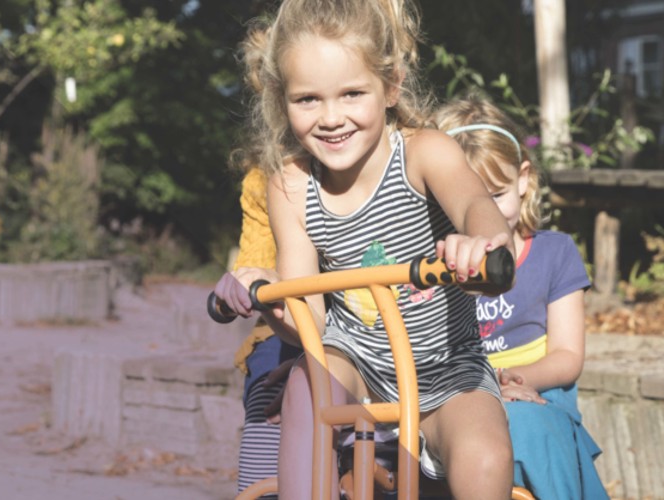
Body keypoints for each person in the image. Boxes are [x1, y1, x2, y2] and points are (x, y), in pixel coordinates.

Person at [217, 0, 517, 498]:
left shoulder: (424, 153)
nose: (331, 118)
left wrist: (482, 244)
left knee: (486, 456)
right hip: (355, 362)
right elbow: (308, 321)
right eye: (307, 99)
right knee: (306, 387)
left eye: (352, 94)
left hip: (447, 371)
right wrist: (271, 297)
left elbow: (474, 204)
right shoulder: (291, 184)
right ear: (281, 99)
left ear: (391, 85)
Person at [435, 94, 609, 500]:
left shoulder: (554, 253)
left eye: (496, 195)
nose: (486, 216)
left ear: (523, 179)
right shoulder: (434, 266)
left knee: (531, 427)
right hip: (461, 396)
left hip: (537, 393)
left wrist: (514, 380)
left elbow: (567, 356)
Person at [214, 166, 301, 499]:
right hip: (289, 326)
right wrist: (248, 281)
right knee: (269, 387)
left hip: (378, 327)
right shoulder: (265, 180)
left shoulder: (409, 161)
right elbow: (255, 266)